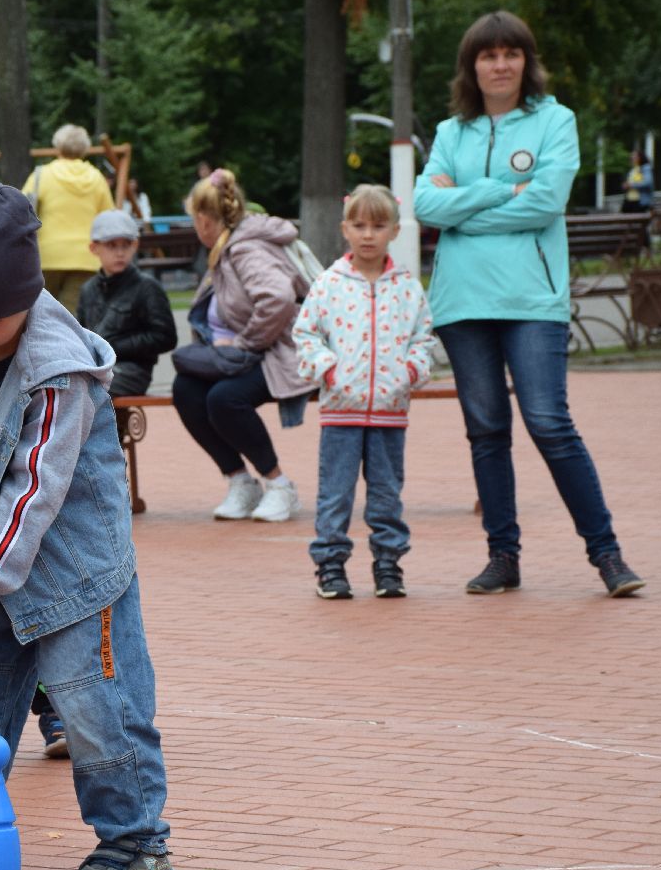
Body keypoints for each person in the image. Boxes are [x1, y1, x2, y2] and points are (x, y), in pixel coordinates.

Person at [0, 182, 173, 870]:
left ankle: (134, 841)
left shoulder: (60, 370)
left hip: (76, 571)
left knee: (94, 708)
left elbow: (33, 494)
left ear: (27, 292)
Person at [414, 10, 644, 597]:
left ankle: (608, 555)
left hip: (532, 300)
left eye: (510, 54)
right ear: (471, 66)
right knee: (486, 431)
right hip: (463, 303)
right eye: (488, 55)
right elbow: (425, 207)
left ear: (526, 61)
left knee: (549, 423)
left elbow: (544, 203)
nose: (500, 65)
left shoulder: (555, 121)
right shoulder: (450, 133)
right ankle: (503, 558)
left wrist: (465, 205)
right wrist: (501, 190)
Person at [293, 185, 435, 600]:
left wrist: (410, 372)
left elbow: (424, 339)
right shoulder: (329, 284)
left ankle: (388, 563)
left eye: (378, 225)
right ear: (345, 229)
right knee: (335, 493)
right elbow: (306, 334)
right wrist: (328, 369)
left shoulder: (407, 287)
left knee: (387, 494)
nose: (368, 234)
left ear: (394, 231)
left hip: (390, 412)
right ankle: (330, 565)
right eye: (359, 225)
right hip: (341, 412)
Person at [171, 168, 311, 523]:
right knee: (186, 389)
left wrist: (245, 343)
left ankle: (280, 485)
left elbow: (278, 299)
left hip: (282, 352)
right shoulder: (227, 247)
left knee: (224, 399)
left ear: (204, 220)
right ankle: (241, 482)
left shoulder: (245, 248)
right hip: (253, 354)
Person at [77, 210, 179, 397]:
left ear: (135, 245)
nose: (120, 253)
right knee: (62, 384)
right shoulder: (88, 289)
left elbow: (166, 337)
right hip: (94, 367)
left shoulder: (147, 287)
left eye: (126, 245)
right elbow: (81, 335)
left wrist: (114, 347)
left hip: (132, 371)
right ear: (94, 248)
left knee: (86, 390)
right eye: (111, 245)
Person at [21, 125, 113, 313]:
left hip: (46, 256)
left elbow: (21, 210)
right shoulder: (96, 178)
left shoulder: (42, 175)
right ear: (85, 148)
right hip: (86, 257)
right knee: (72, 316)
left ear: (57, 146)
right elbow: (108, 218)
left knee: (40, 314)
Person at [622, 148, 653, 215]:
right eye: (631, 156)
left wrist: (631, 185)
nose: (632, 157)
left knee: (637, 220)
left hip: (640, 202)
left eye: (634, 156)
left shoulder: (646, 168)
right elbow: (629, 183)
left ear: (640, 157)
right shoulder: (632, 170)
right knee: (624, 219)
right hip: (629, 200)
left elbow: (647, 183)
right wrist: (625, 186)